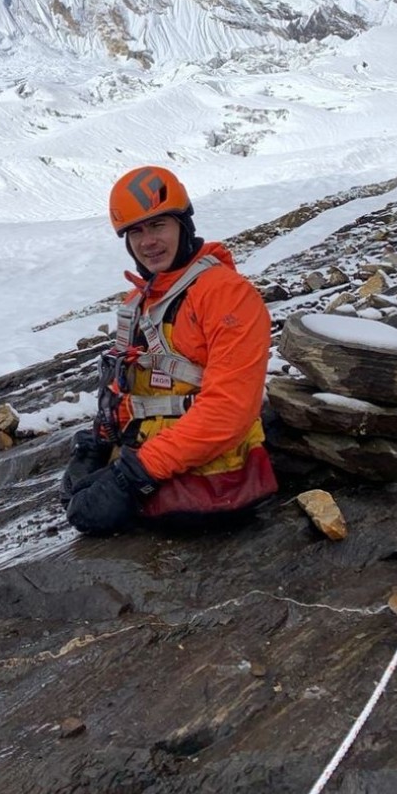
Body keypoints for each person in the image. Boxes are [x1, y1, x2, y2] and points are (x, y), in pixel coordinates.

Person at [61, 165, 276, 534]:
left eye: (158, 225)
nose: (148, 241)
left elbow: (229, 410)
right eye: (136, 231)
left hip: (214, 476)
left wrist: (135, 474)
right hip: (152, 454)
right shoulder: (139, 301)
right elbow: (132, 388)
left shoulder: (226, 294)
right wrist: (99, 441)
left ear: (183, 225)